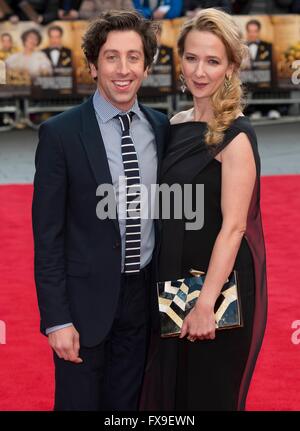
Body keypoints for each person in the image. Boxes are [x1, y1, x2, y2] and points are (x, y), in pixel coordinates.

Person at [32, 10, 169, 411]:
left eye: (133, 57)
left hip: (142, 301)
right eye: (111, 57)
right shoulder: (60, 134)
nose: (123, 69)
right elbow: (48, 236)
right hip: (82, 307)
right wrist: (57, 320)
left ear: (147, 65)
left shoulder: (162, 129)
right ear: (93, 65)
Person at [140, 8, 267, 411]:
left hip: (217, 289)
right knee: (173, 394)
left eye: (212, 61)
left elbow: (233, 228)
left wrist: (205, 304)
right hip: (175, 280)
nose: (199, 71)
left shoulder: (237, 136)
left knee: (208, 394)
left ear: (231, 66)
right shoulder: (176, 123)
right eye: (192, 58)